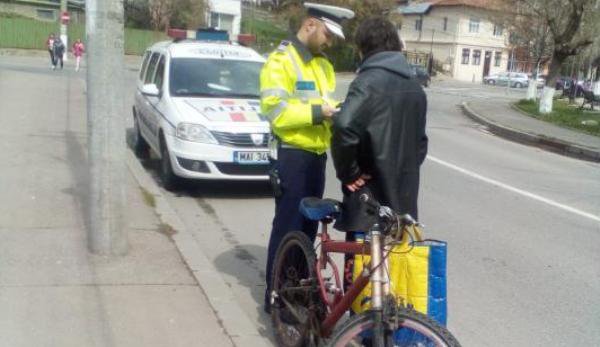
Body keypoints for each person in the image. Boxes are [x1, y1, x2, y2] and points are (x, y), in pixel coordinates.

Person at [260, 2, 354, 313]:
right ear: (311, 24)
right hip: (292, 156)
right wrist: (318, 112)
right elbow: (275, 111)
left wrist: (338, 111)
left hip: (315, 157)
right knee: (289, 227)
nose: (329, 42)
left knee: (309, 230)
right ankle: (276, 297)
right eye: (328, 34)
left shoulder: (323, 65)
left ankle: (297, 291)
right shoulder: (280, 61)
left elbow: (325, 104)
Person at [331, 17, 428, 231]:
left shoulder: (367, 82)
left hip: (370, 196)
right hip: (405, 196)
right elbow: (420, 144)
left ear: (362, 48)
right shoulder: (416, 88)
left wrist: (350, 173)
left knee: (362, 261)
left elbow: (343, 126)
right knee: (397, 258)